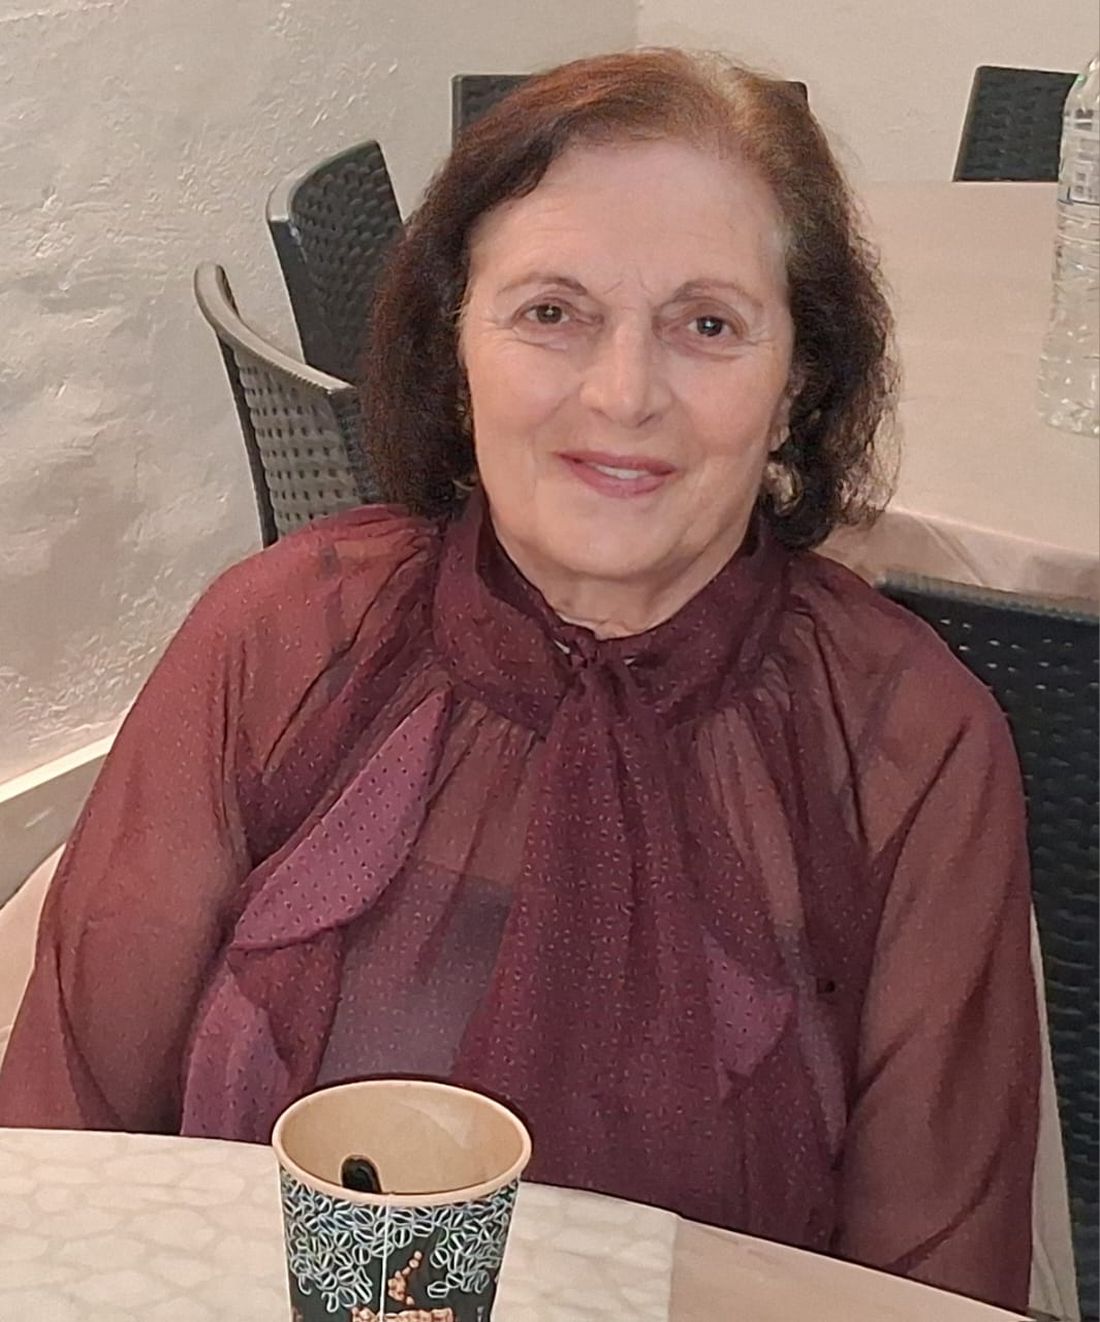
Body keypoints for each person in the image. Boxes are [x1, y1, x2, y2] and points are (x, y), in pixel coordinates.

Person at [0, 49, 1038, 1312]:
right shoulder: (276, 640)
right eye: (552, 312)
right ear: (456, 351)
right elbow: (61, 1151)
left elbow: (929, 1287)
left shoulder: (907, 740)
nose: (623, 393)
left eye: (707, 325)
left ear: (795, 386)